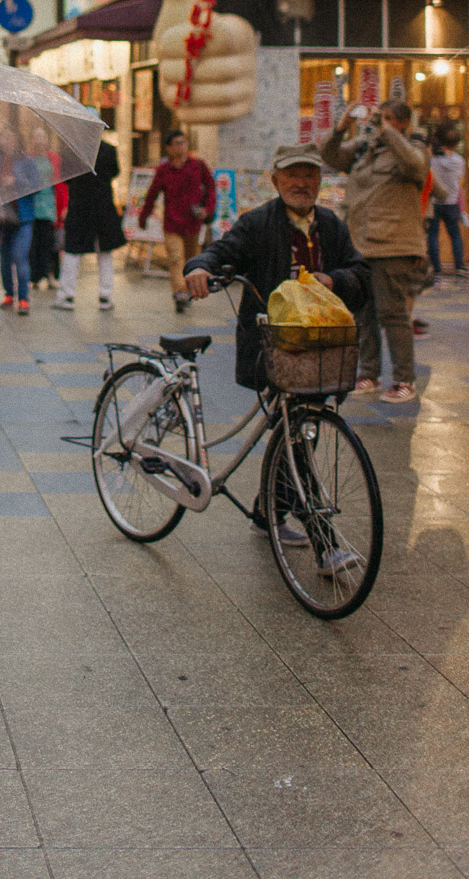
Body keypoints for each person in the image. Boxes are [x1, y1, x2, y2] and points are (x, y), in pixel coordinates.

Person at [184, 144, 370, 560]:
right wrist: (198, 267)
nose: (301, 183)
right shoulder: (258, 224)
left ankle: (266, 513)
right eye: (292, 176)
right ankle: (324, 543)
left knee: (299, 430)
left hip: (320, 348)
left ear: (320, 181)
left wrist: (334, 279)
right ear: (276, 180)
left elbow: (362, 275)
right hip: (273, 346)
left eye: (309, 176)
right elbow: (220, 251)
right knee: (297, 433)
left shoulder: (331, 227)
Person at [322, 99, 429, 405]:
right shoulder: (363, 148)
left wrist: (388, 132)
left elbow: (414, 165)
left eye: (389, 118)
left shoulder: (412, 149)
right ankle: (368, 373)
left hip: (393, 244)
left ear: (403, 124)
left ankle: (404, 379)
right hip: (359, 241)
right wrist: (341, 127)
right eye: (379, 117)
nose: (380, 122)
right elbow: (329, 155)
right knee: (362, 311)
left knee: (392, 313)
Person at [139, 129, 216, 313]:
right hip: (172, 222)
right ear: (168, 148)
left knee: (191, 259)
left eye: (184, 143)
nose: (182, 147)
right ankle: (180, 293)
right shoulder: (163, 170)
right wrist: (144, 216)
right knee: (175, 258)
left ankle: (189, 290)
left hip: (193, 222)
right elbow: (152, 194)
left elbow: (211, 189)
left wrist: (208, 210)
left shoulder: (198, 165)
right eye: (178, 143)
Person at [56, 136, 127, 311]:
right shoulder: (109, 150)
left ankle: (67, 294)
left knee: (72, 251)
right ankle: (105, 295)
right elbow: (115, 172)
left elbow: (67, 178)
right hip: (103, 206)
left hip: (79, 206)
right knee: (104, 251)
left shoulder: (70, 151)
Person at [0, 127, 35, 315]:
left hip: (23, 217)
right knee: (5, 258)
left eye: (10, 138)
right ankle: (9, 294)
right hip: (2, 218)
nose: (7, 141)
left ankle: (23, 297)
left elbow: (37, 185)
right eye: (3, 138)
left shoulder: (27, 161)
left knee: (20, 255)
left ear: (17, 141)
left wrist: (16, 181)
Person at [427, 122, 466, 278]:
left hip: (435, 202)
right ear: (456, 145)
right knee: (455, 234)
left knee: (432, 235)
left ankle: (436, 268)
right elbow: (460, 179)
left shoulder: (433, 160)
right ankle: (459, 266)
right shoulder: (459, 161)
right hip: (451, 202)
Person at [27, 124, 63, 291]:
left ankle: (51, 276)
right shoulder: (28, 158)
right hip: (32, 205)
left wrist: (63, 207)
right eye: (37, 136)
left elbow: (60, 183)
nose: (40, 140)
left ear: (47, 139)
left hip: (49, 204)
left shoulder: (54, 158)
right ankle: (34, 277)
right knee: (34, 243)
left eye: (42, 136)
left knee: (50, 242)